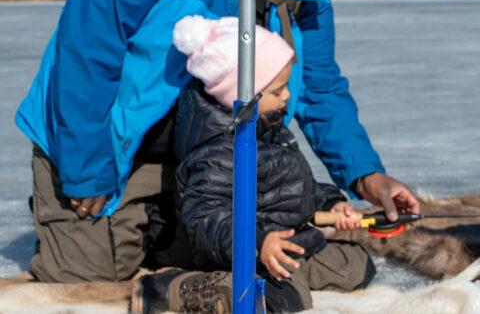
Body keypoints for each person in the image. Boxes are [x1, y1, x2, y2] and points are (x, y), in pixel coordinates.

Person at [16, 0, 418, 284]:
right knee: (86, 280)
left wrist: (366, 175)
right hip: (108, 149)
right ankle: (97, 223)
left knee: (294, 262)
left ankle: (169, 245)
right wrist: (86, 169)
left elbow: (319, 84)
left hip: (213, 165)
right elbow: (87, 48)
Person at [130, 17, 375, 314]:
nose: (287, 98)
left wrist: (332, 202)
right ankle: (170, 288)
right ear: (242, 96)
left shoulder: (269, 128)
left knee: (356, 266)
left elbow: (298, 186)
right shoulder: (216, 151)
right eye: (277, 91)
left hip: (286, 239)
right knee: (284, 301)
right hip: (238, 254)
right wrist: (259, 244)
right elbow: (208, 221)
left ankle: (275, 273)